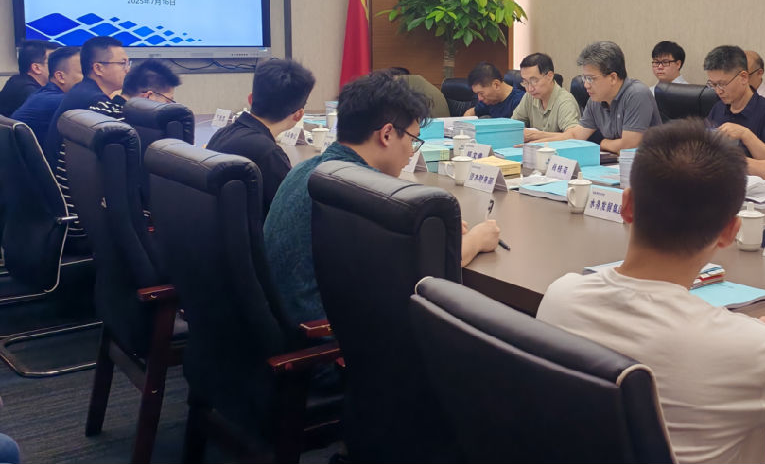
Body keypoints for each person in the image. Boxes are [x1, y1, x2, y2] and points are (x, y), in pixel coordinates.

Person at [537, 120, 765, 464]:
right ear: (730, 232)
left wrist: (736, 329)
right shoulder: (752, 350)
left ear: (626, 205)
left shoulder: (561, 298)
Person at [265, 72, 500, 329]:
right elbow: (424, 277)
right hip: (326, 341)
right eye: (413, 139)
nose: (411, 152)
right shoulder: (359, 193)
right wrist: (476, 240)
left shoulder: (308, 170)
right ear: (387, 134)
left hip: (287, 324)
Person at [207, 58, 315, 210]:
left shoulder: (222, 134)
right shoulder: (269, 154)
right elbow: (291, 212)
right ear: (299, 115)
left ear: (251, 99)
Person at [538, 41, 661, 152]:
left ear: (613, 78)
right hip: (615, 164)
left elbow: (627, 146)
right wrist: (536, 144)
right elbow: (575, 136)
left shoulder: (637, 94)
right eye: (584, 78)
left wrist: (603, 143)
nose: (586, 85)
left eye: (591, 78)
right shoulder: (595, 100)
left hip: (651, 165)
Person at [43, 36, 128, 165]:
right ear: (98, 68)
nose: (127, 69)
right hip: (68, 174)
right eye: (122, 63)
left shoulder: (81, 89)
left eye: (128, 63)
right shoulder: (96, 102)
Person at [702, 45, 765, 160]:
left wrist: (746, 135)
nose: (718, 91)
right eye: (713, 85)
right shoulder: (718, 108)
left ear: (744, 77)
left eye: (722, 84)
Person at [11, 46, 82, 150]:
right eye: (84, 73)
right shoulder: (58, 101)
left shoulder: (43, 94)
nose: (91, 78)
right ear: (60, 77)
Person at [510, 52, 580, 141]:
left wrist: (535, 135)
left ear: (549, 76)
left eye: (534, 81)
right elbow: (513, 125)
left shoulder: (565, 101)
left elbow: (573, 136)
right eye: (525, 82)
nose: (530, 89)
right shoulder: (529, 96)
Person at [88, 59, 182, 118]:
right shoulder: (132, 126)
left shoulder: (97, 108)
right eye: (168, 101)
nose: (169, 106)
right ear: (149, 96)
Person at [0, 40, 59, 117]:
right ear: (36, 68)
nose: (60, 67)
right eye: (55, 63)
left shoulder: (17, 80)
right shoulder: (29, 91)